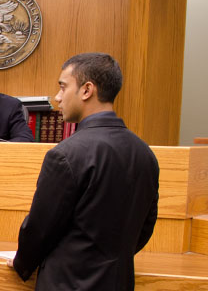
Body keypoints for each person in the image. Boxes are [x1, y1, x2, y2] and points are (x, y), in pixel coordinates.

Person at [10, 53, 159, 289]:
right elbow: (145, 227)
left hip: (67, 282)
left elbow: (40, 228)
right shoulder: (144, 153)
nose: (58, 97)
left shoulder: (66, 154)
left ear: (87, 90)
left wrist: (22, 264)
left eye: (63, 87)